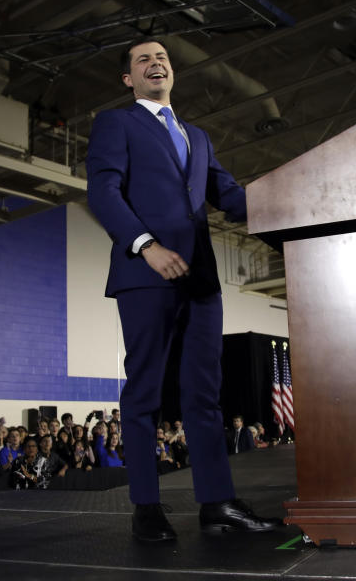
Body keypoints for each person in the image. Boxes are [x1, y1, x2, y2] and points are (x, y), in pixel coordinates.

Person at [85, 37, 278, 541]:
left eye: (163, 58)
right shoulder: (116, 123)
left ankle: (216, 503)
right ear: (128, 79)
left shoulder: (197, 135)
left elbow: (229, 195)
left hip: (201, 278)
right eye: (143, 59)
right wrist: (144, 245)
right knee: (145, 391)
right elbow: (103, 191)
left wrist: (286, 198)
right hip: (145, 270)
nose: (156, 64)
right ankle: (146, 507)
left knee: (205, 394)